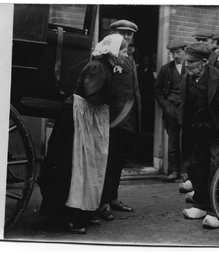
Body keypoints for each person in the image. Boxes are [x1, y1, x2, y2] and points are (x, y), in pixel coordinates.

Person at [38, 34, 129, 233]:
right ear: (113, 51)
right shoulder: (97, 67)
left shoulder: (105, 67)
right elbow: (92, 96)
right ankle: (68, 218)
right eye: (124, 50)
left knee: (90, 166)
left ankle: (83, 212)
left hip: (89, 119)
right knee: (76, 166)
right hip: (78, 121)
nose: (126, 54)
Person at [179, 43, 219, 229]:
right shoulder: (186, 79)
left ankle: (215, 211)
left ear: (205, 62)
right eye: (186, 61)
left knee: (216, 170)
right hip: (197, 132)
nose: (187, 65)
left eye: (191, 62)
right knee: (197, 168)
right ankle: (199, 204)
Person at [99, 20, 142, 221]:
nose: (126, 37)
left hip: (128, 118)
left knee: (118, 161)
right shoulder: (108, 56)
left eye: (129, 34)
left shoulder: (129, 56)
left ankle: (114, 198)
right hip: (113, 119)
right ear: (113, 34)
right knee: (108, 161)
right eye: (122, 33)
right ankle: (103, 202)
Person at [153, 41, 187, 182]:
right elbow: (157, 89)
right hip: (171, 108)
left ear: (185, 51)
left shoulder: (190, 67)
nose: (175, 55)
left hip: (186, 109)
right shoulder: (166, 69)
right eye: (173, 53)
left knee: (187, 140)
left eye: (178, 52)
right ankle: (174, 171)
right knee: (173, 141)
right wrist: (164, 104)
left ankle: (187, 173)